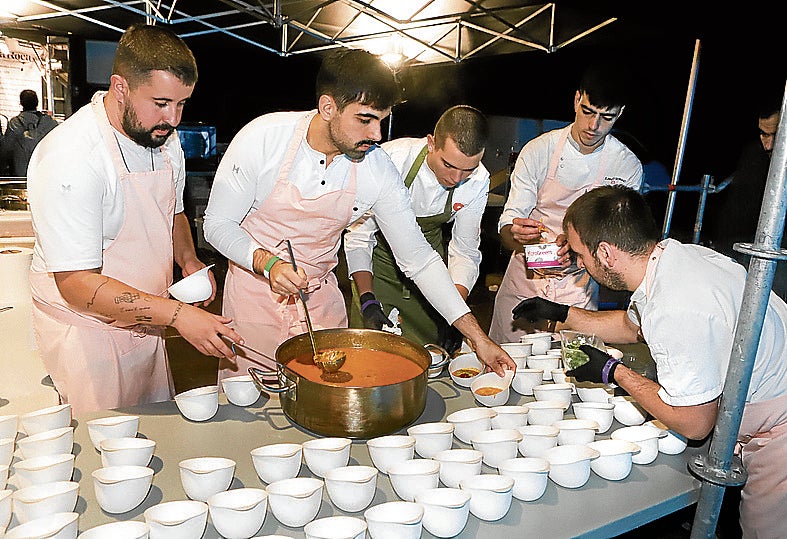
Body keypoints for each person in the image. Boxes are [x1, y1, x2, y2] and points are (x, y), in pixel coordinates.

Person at [203, 49, 514, 382]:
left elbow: (419, 260)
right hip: (254, 298)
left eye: (382, 119)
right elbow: (217, 225)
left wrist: (476, 336)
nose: (377, 134)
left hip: (320, 300)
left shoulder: (377, 169)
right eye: (365, 119)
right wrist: (268, 262)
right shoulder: (262, 139)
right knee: (254, 406)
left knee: (325, 404)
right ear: (328, 107)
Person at [514, 185, 787, 539]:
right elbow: (632, 326)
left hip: (778, 424)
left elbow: (695, 423)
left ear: (606, 253)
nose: (578, 264)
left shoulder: (674, 307)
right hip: (768, 388)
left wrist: (613, 372)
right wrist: (562, 313)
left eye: (581, 254)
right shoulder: (674, 259)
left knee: (766, 531)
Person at [26, 23, 242, 416]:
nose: (173, 118)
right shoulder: (72, 157)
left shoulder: (162, 137)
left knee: (155, 432)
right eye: (161, 103)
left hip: (147, 319)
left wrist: (188, 260)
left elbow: (172, 210)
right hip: (87, 334)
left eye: (181, 104)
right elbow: (77, 285)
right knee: (101, 448)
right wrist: (179, 316)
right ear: (120, 86)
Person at [488, 60, 643, 344]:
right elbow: (506, 228)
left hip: (578, 291)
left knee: (568, 370)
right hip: (525, 280)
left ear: (620, 114)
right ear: (576, 100)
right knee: (506, 366)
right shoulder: (539, 151)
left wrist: (573, 252)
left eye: (606, 117)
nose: (594, 126)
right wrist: (521, 238)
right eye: (588, 112)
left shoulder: (625, 166)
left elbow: (616, 241)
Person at [344, 105, 490, 355]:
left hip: (431, 278)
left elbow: (464, 252)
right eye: (449, 165)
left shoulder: (478, 181)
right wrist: (367, 299)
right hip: (378, 270)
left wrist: (453, 309)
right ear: (431, 143)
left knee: (424, 357)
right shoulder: (391, 161)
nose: (456, 178)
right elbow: (359, 237)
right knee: (370, 356)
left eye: (468, 170)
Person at [705, 88, 785, 298]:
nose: (767, 144)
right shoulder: (754, 156)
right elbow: (734, 219)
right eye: (763, 133)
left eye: (775, 135)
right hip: (751, 249)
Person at [0, 89, 59, 176]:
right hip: (45, 172)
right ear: (37, 102)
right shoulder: (50, 122)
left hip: (22, 174)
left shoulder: (15, 123)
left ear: (21, 103)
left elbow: (6, 149)